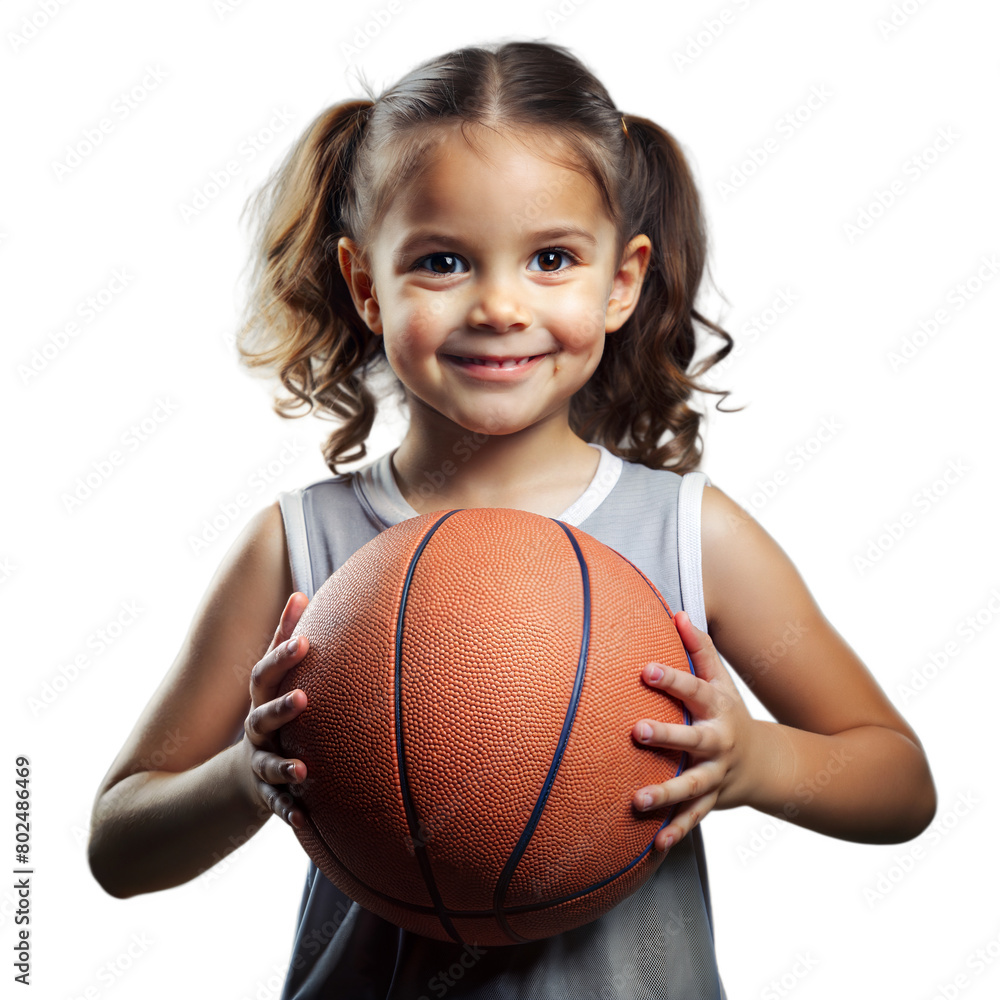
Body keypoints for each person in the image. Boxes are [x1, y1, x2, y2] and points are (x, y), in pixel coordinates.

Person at [87, 40, 937, 999]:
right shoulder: (297, 545)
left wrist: (756, 760)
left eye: (552, 259)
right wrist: (248, 774)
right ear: (368, 284)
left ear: (622, 281)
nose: (499, 305)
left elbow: (899, 783)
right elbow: (119, 844)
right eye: (442, 261)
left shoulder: (692, 533)